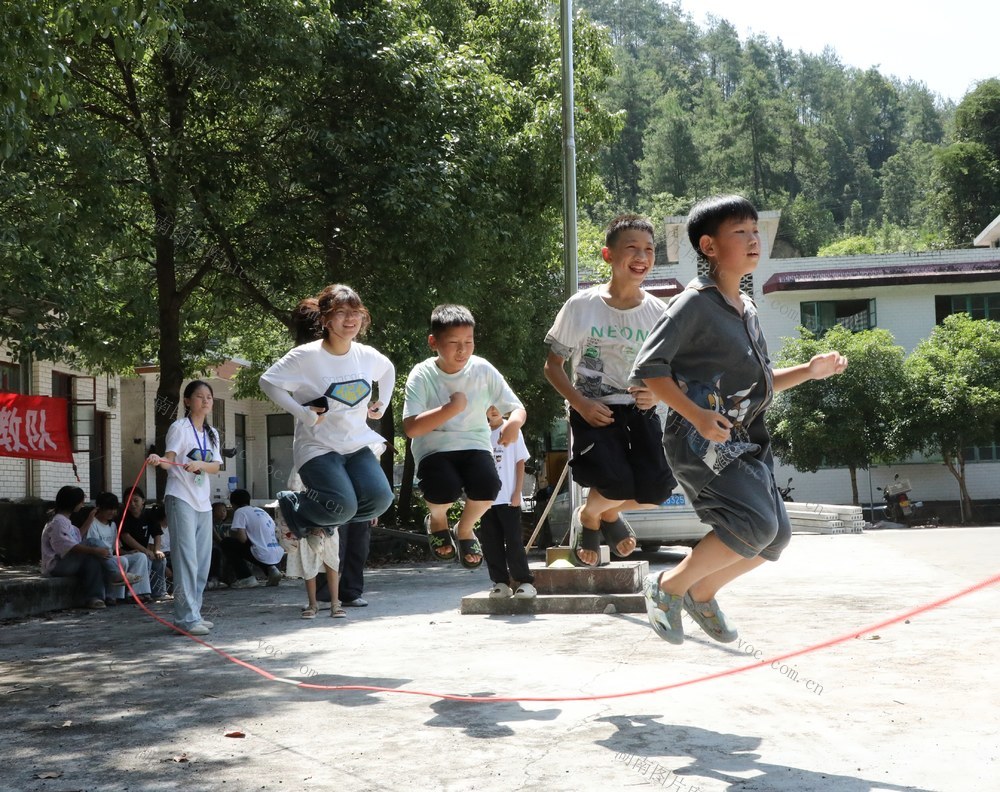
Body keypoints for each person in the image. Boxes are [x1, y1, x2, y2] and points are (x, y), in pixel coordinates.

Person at [632, 195, 848, 645]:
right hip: (700, 439)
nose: (754, 240)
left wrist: (809, 371)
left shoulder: (746, 309)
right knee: (755, 524)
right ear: (709, 246)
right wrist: (696, 414)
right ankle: (666, 586)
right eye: (740, 232)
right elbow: (649, 369)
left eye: (756, 231)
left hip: (745, 438)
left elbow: (759, 383)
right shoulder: (694, 303)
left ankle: (703, 592)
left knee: (775, 538)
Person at [543, 214, 675, 566]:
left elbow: (673, 372)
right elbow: (552, 366)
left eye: (649, 250)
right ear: (608, 255)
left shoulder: (659, 313)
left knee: (657, 491)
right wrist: (581, 404)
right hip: (594, 410)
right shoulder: (581, 305)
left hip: (640, 410)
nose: (642, 257)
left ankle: (596, 513)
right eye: (632, 248)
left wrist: (658, 394)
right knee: (615, 483)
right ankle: (600, 518)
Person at [259, 285, 395, 614]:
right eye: (341, 313)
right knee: (343, 506)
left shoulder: (366, 355)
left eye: (356, 313)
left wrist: (381, 403)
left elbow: (388, 369)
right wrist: (302, 412)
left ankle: (323, 518)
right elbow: (267, 382)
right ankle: (293, 506)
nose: (350, 320)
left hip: (355, 442)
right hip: (318, 446)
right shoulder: (307, 357)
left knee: (380, 500)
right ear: (326, 319)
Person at [403, 304, 526, 568]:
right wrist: (450, 409)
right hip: (434, 447)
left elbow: (516, 407)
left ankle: (465, 529)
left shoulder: (482, 369)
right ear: (433, 342)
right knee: (443, 488)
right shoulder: (422, 374)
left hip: (474, 444)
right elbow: (411, 428)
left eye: (468, 342)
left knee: (489, 486)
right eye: (454, 342)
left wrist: (513, 423)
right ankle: (437, 520)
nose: (462, 350)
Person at [147, 380, 222, 636]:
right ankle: (185, 619)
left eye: (209, 397)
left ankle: (195, 613)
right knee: (185, 559)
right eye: (199, 396)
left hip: (203, 502)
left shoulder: (212, 434)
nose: (205, 400)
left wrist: (201, 465)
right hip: (181, 498)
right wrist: (159, 460)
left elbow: (216, 466)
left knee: (202, 560)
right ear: (187, 401)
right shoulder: (180, 427)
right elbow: (169, 460)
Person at [478, 406, 535, 599]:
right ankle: (500, 582)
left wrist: (518, 492)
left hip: (508, 499)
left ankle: (524, 582)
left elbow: (520, 461)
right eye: (489, 406)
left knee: (514, 542)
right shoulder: (479, 433)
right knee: (491, 543)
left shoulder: (512, 430)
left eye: (498, 406)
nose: (493, 410)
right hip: (485, 500)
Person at [40, 486, 109, 609]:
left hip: (65, 563)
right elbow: (69, 547)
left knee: (92, 561)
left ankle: (95, 598)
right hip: (56, 566)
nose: (83, 505)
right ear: (73, 503)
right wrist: (95, 550)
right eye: (81, 502)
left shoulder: (65, 521)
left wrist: (89, 519)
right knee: (92, 542)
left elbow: (77, 538)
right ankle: (115, 571)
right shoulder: (58, 522)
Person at [83, 491, 151, 604]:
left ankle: (136, 593)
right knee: (122, 560)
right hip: (102, 559)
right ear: (99, 508)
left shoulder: (113, 525)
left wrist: (127, 552)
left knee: (140, 556)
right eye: (108, 509)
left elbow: (116, 548)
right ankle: (114, 596)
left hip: (113, 557)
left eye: (114, 509)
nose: (112, 512)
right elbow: (92, 544)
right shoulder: (93, 524)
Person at [221, 489, 284, 588]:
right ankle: (271, 570)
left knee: (227, 543)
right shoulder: (261, 511)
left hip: (262, 553)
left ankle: (246, 578)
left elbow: (242, 539)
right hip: (277, 554)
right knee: (257, 545)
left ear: (233, 504)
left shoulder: (240, 512)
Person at [119, 488, 169, 600]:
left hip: (143, 551)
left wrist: (157, 550)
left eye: (135, 500)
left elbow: (157, 534)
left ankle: (159, 592)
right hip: (128, 553)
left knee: (160, 559)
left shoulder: (149, 514)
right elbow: (125, 537)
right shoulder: (123, 517)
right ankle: (140, 593)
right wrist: (146, 551)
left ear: (143, 501)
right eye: (128, 501)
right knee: (144, 557)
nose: (132, 504)